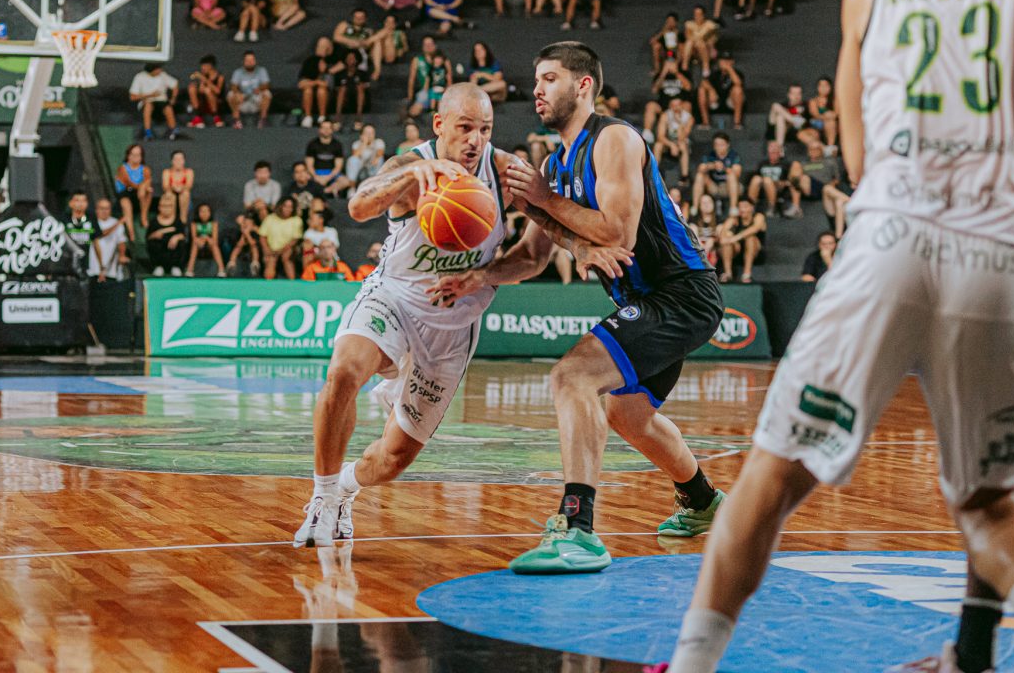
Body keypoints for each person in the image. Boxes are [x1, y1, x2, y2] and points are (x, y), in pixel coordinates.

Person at [669, 0, 1014, 672]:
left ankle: (694, 662)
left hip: (890, 240)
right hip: (1006, 250)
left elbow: (859, 156)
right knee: (994, 502)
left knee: (771, 478)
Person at [434, 43, 726, 573]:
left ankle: (578, 530)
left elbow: (618, 234)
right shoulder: (554, 165)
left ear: (583, 85)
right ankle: (704, 502)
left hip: (681, 292)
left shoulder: (614, 139)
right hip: (646, 299)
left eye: (549, 78)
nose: (537, 90)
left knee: (572, 376)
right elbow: (531, 258)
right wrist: (477, 276)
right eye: (536, 80)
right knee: (627, 415)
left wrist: (543, 199)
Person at [293, 82, 518, 549]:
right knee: (344, 371)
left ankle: (346, 488)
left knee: (393, 460)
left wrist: (488, 273)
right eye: (465, 128)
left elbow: (539, 247)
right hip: (393, 297)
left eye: (484, 129)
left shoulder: (503, 172)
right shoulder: (409, 164)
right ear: (439, 125)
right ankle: (323, 496)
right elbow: (358, 205)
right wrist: (416, 172)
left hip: (452, 325)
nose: (475, 140)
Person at [332, 9, 393, 83]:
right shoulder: (345, 24)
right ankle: (329, 72)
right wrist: (352, 42)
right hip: (343, 49)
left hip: (361, 51)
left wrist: (363, 43)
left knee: (377, 41)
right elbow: (336, 37)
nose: (358, 19)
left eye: (361, 17)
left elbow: (368, 44)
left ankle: (377, 70)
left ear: (365, 19)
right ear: (352, 17)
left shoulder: (369, 30)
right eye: (356, 17)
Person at [691, 132, 743, 217]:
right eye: (716, 145)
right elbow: (700, 168)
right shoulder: (710, 155)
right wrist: (711, 166)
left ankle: (733, 207)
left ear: (727, 145)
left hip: (729, 187)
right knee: (700, 175)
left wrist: (724, 168)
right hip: (714, 186)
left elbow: (737, 173)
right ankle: (695, 207)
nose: (719, 147)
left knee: (731, 175)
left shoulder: (733, 155)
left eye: (721, 144)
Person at [747, 140, 803, 218]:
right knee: (756, 179)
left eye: (774, 152)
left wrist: (783, 183)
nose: (772, 154)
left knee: (767, 180)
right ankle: (750, 206)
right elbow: (757, 176)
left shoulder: (785, 164)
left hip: (778, 187)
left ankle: (772, 207)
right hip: (763, 187)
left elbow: (791, 181)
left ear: (780, 152)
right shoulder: (762, 163)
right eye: (770, 152)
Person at [715, 198, 766, 283]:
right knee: (727, 243)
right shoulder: (733, 219)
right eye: (740, 207)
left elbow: (755, 228)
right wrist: (729, 237)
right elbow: (722, 238)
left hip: (755, 252)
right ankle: (728, 274)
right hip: (736, 252)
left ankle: (747, 274)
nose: (742, 209)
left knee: (750, 238)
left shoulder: (758, 217)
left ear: (752, 208)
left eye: (745, 207)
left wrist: (735, 238)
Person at [644, 59, 693, 143]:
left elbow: (688, 87)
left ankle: (684, 135)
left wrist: (676, 73)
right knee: (650, 105)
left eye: (672, 63)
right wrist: (663, 73)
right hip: (663, 105)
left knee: (687, 105)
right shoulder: (660, 75)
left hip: (679, 105)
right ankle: (647, 133)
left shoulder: (684, 73)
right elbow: (654, 90)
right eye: (668, 63)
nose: (670, 65)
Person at [298, 37, 342, 128]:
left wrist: (326, 72)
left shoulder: (334, 62)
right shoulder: (310, 62)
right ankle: (308, 117)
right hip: (311, 92)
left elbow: (327, 84)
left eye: (324, 47)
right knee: (308, 90)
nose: (321, 49)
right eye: (319, 46)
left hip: (330, 95)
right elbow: (301, 84)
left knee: (321, 90)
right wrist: (316, 82)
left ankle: (322, 117)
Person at [128, 63, 178, 141]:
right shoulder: (140, 77)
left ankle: (174, 132)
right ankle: (148, 133)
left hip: (162, 102)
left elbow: (175, 85)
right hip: (147, 101)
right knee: (148, 106)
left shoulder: (163, 75)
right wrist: (150, 95)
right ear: (152, 71)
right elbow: (132, 97)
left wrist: (173, 98)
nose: (160, 71)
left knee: (168, 107)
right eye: (158, 70)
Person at [258, 197, 303, 280]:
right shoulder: (270, 218)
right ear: (280, 206)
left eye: (290, 207)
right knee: (270, 259)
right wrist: (266, 249)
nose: (288, 209)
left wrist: (281, 250)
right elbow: (262, 236)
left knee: (287, 257)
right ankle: (268, 284)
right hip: (271, 249)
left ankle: (292, 284)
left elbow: (295, 240)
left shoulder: (297, 220)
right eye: (285, 206)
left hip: (288, 248)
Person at [697, 52, 746, 129]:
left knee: (738, 89)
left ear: (732, 62)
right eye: (722, 60)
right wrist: (711, 90)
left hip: (730, 103)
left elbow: (738, 83)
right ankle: (706, 123)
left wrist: (729, 69)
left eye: (727, 60)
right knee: (701, 90)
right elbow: (703, 82)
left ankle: (737, 123)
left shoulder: (738, 73)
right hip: (716, 101)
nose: (724, 63)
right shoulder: (715, 73)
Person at [114, 144, 152, 242]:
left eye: (138, 155)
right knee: (126, 204)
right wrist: (142, 186)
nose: (135, 157)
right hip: (125, 193)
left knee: (149, 191)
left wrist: (144, 187)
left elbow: (148, 182)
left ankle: (143, 217)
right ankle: (131, 233)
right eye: (133, 154)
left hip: (139, 195)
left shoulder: (145, 169)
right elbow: (128, 183)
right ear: (128, 155)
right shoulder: (122, 168)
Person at [227, 51, 272, 129]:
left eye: (252, 60)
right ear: (243, 62)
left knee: (267, 93)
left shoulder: (261, 70)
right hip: (243, 100)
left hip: (256, 99)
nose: (250, 62)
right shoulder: (238, 72)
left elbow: (267, 84)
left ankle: (263, 120)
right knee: (230, 94)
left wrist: (260, 88)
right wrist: (238, 93)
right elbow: (233, 86)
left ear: (255, 61)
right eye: (247, 60)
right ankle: (236, 120)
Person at [146, 193, 187, 277]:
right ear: (159, 207)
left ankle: (176, 267)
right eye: (164, 206)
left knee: (181, 243)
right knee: (153, 243)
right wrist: (155, 235)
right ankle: (158, 266)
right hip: (160, 250)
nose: (166, 209)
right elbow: (148, 237)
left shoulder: (177, 220)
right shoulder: (154, 221)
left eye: (169, 206)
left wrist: (176, 237)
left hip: (173, 251)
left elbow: (183, 235)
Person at [654, 96, 693, 183]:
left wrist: (679, 123)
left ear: (682, 105)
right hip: (668, 142)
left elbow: (682, 137)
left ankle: (685, 176)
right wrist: (671, 145)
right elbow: (660, 136)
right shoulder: (665, 116)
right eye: (673, 105)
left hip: (682, 142)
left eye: (678, 105)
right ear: (670, 106)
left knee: (683, 145)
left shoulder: (689, 118)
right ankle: (653, 174)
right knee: (658, 145)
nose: (676, 108)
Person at [89, 197, 129, 282]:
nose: (104, 211)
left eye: (107, 208)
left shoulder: (116, 223)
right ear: (96, 209)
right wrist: (118, 223)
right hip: (92, 269)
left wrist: (122, 255)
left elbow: (121, 242)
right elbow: (100, 234)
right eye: (102, 208)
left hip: (111, 270)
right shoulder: (91, 222)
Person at [305, 122, 348, 197]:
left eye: (328, 128)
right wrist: (316, 176)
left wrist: (327, 178)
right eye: (324, 128)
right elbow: (309, 165)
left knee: (345, 181)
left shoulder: (337, 145)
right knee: (303, 177)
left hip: (331, 173)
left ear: (332, 130)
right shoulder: (312, 144)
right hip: (316, 172)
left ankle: (324, 191)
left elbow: (338, 167)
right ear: (319, 129)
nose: (326, 130)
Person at [333, 51, 370, 131]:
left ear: (357, 60)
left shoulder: (362, 73)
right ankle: (338, 116)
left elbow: (367, 86)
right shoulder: (340, 74)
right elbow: (336, 88)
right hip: (344, 101)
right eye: (349, 58)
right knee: (342, 89)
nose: (351, 60)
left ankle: (359, 116)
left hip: (359, 100)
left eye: (353, 58)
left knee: (360, 87)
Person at [186, 203, 226, 277]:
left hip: (210, 244)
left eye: (207, 211)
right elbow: (194, 237)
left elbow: (215, 239)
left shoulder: (214, 224)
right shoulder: (194, 224)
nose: (204, 214)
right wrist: (201, 240)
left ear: (210, 213)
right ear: (198, 213)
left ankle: (221, 269)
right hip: (198, 243)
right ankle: (190, 269)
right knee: (195, 244)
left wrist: (206, 238)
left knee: (214, 245)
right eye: (202, 211)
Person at [187, 55, 225, 129]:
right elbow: (201, 90)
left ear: (210, 66)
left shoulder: (220, 77)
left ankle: (216, 116)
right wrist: (197, 85)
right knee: (192, 88)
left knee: (208, 90)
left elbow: (218, 91)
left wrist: (204, 80)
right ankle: (197, 116)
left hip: (216, 102)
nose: (202, 68)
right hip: (203, 102)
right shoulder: (203, 76)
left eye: (204, 66)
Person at [681, 5, 719, 78]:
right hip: (693, 50)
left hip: (706, 50)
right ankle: (684, 66)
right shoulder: (689, 24)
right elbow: (688, 36)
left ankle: (706, 66)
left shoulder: (710, 24)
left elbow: (710, 39)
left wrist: (699, 40)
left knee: (700, 43)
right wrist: (697, 40)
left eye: (699, 14)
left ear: (703, 15)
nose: (697, 16)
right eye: (695, 14)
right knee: (689, 42)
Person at [161, 149, 195, 224]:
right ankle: (171, 220)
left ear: (184, 161)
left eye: (180, 159)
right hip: (170, 196)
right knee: (169, 194)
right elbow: (165, 187)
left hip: (185, 198)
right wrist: (173, 188)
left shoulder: (189, 171)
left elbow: (189, 185)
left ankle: (183, 220)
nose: (178, 161)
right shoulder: (167, 172)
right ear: (172, 161)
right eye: (176, 159)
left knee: (185, 193)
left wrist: (181, 188)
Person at [63, 193, 96, 266]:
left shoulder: (92, 219)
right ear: (70, 203)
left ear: (87, 203)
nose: (80, 203)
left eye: (83, 200)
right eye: (77, 200)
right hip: (67, 261)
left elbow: (97, 241)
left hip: (88, 263)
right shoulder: (64, 220)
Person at [808, 75, 839, 148]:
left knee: (831, 122)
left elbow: (837, 113)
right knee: (830, 122)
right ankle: (830, 146)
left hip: (833, 122)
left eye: (826, 86)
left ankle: (830, 146)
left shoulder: (835, 100)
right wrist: (826, 116)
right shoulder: (813, 101)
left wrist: (831, 115)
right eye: (821, 86)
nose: (823, 88)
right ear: (817, 87)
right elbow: (815, 114)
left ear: (830, 87)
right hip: (818, 122)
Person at [226, 213, 261, 277]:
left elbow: (252, 243)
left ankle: (255, 265)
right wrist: (243, 234)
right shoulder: (238, 232)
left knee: (254, 247)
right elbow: (239, 244)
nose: (247, 225)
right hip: (240, 250)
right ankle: (231, 264)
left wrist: (247, 234)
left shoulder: (254, 233)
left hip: (251, 250)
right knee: (237, 248)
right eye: (245, 223)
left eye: (249, 224)